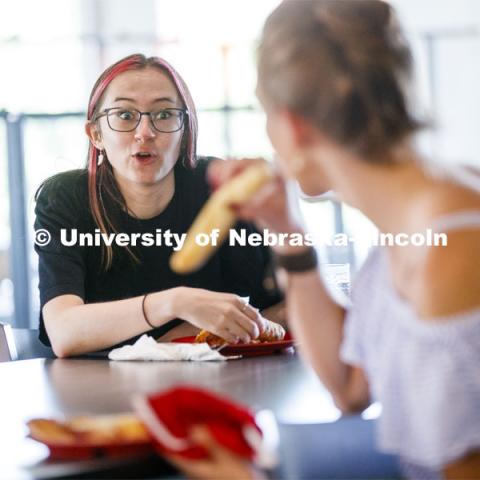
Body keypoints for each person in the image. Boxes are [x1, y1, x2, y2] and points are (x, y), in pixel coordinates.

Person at [169, 1, 480, 478]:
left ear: (292, 125)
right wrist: (286, 232)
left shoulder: (452, 249)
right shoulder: (414, 222)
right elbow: (349, 388)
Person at [34, 54, 284, 358]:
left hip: (217, 385)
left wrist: (190, 336)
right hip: (97, 390)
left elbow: (283, 307)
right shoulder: (65, 197)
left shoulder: (220, 189)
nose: (145, 133)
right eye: (124, 115)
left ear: (184, 131)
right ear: (96, 134)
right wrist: (175, 303)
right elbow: (64, 331)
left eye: (164, 114)